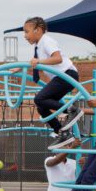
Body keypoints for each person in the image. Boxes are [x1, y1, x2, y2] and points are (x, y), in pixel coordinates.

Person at [23, 17, 83, 149]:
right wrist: (23, 67)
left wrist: (38, 62)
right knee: (42, 106)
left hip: (67, 75)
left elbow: (57, 58)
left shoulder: (47, 41)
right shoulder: (39, 46)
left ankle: (72, 110)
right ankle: (61, 132)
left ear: (37, 30)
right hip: (62, 77)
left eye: (27, 32)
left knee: (40, 98)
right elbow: (39, 62)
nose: (25, 36)